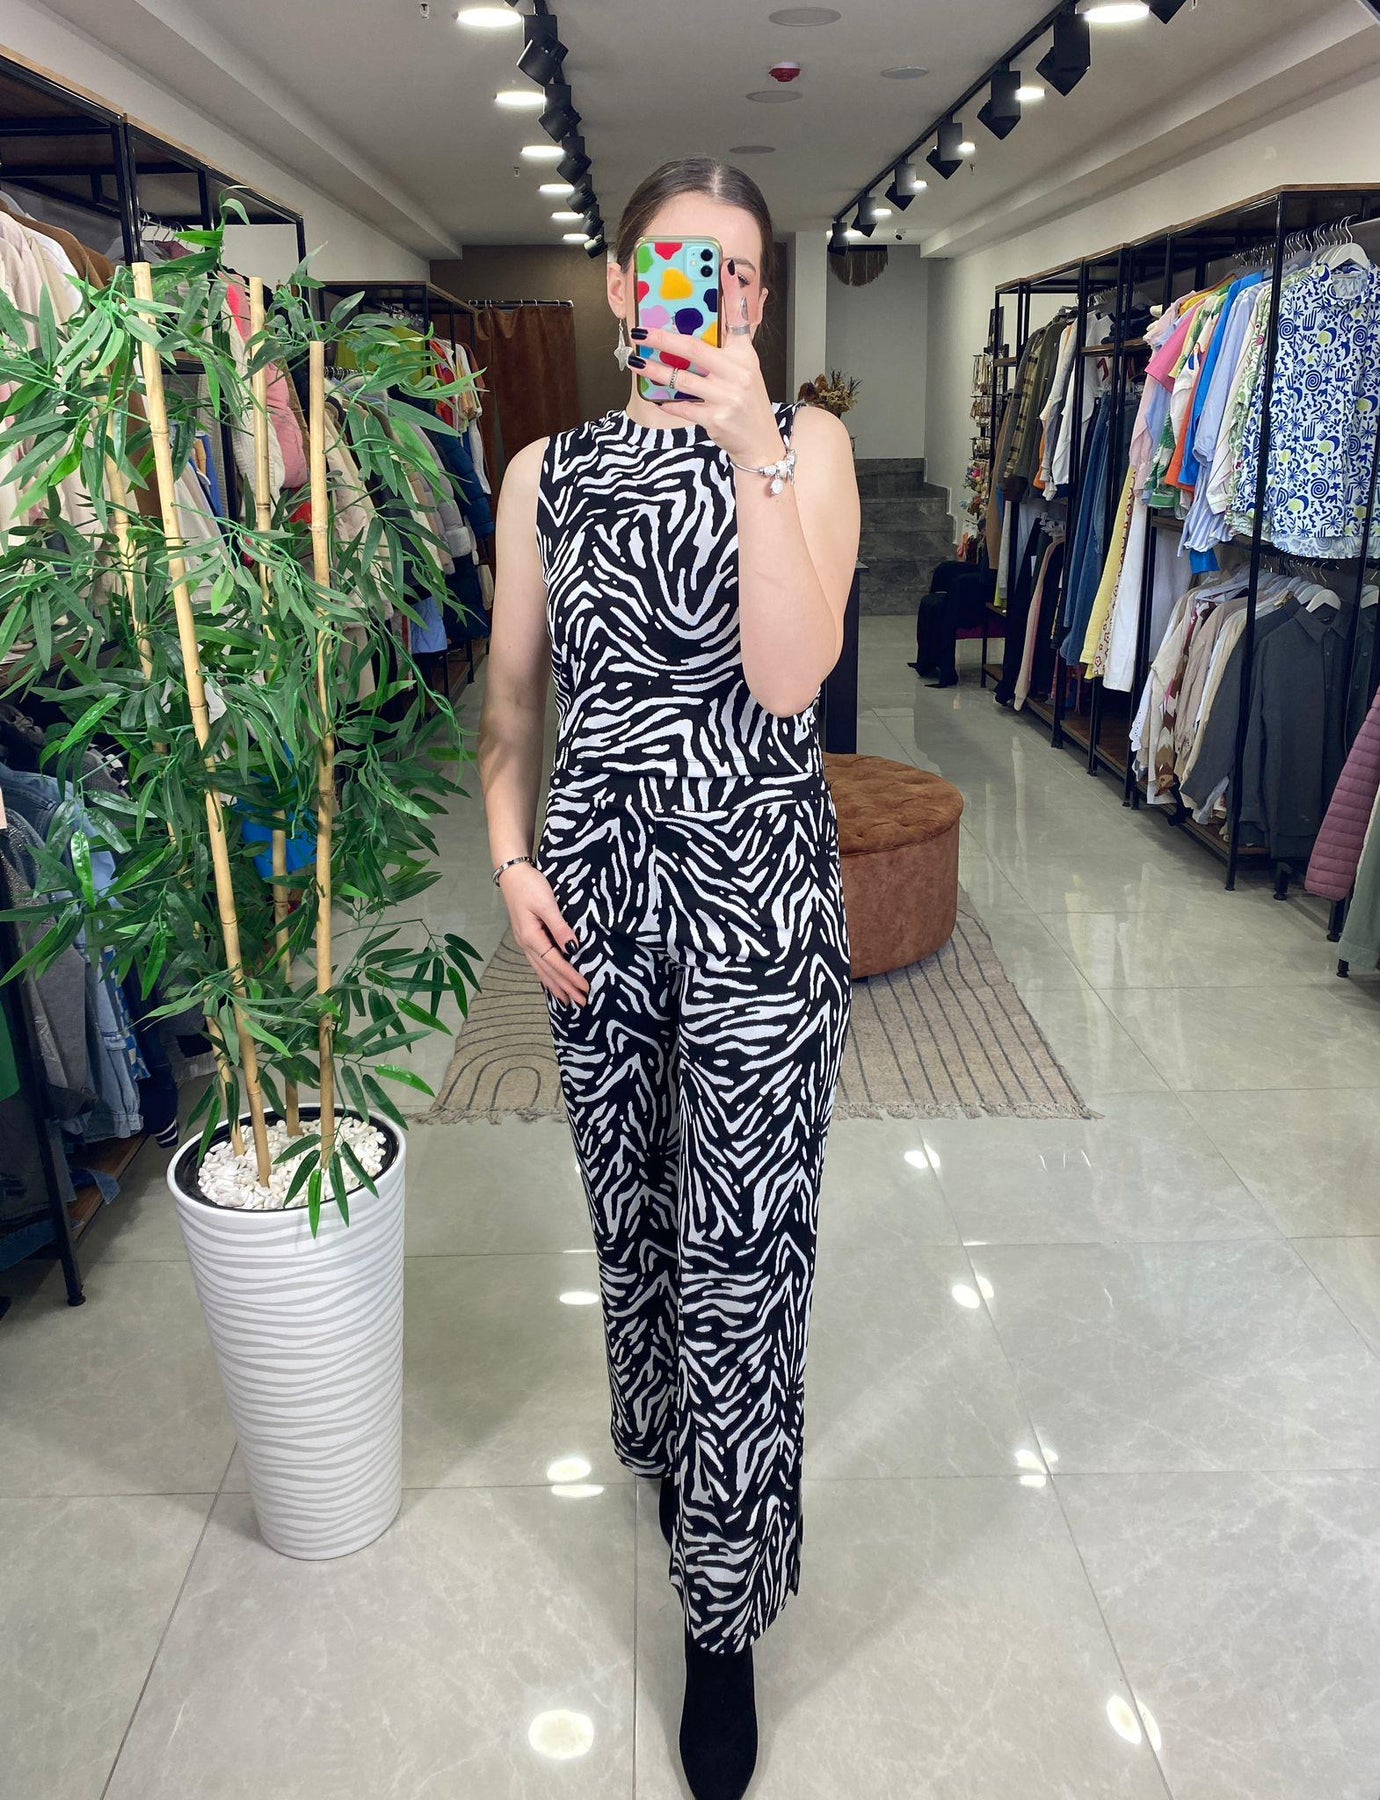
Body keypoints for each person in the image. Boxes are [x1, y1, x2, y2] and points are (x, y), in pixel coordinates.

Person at [479, 156, 859, 1800]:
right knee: (635, 1222)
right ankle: (671, 1462)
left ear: (758, 299)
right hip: (600, 897)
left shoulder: (808, 449)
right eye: (675, 264)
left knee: (739, 1258)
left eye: (736, 269)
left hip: (758, 897)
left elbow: (788, 677)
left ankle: (723, 1617)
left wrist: (755, 446)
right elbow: (513, 709)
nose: (706, 290)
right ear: (627, 285)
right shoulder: (542, 474)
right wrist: (511, 862)